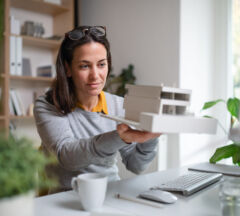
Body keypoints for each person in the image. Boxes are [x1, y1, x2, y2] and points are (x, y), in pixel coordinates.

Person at [34, 26, 160, 192]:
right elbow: (67, 156)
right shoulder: (48, 105)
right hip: (65, 198)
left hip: (110, 192)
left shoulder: (118, 105)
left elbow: (135, 165)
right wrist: (121, 137)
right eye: (84, 66)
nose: (95, 75)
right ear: (67, 69)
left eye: (101, 64)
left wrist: (151, 135)